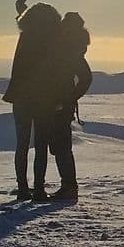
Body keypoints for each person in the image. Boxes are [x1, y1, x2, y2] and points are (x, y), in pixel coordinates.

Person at [1, 0, 65, 199]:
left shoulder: (25, 35)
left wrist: (21, 12)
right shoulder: (52, 42)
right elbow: (55, 72)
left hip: (21, 97)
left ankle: (22, 188)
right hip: (44, 98)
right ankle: (38, 189)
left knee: (22, 144)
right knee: (41, 145)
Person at [43, 11, 95, 202]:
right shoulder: (71, 48)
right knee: (59, 145)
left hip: (61, 105)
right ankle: (67, 186)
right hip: (60, 103)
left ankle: (69, 187)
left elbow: (86, 77)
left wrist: (68, 98)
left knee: (61, 145)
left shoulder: (70, 50)